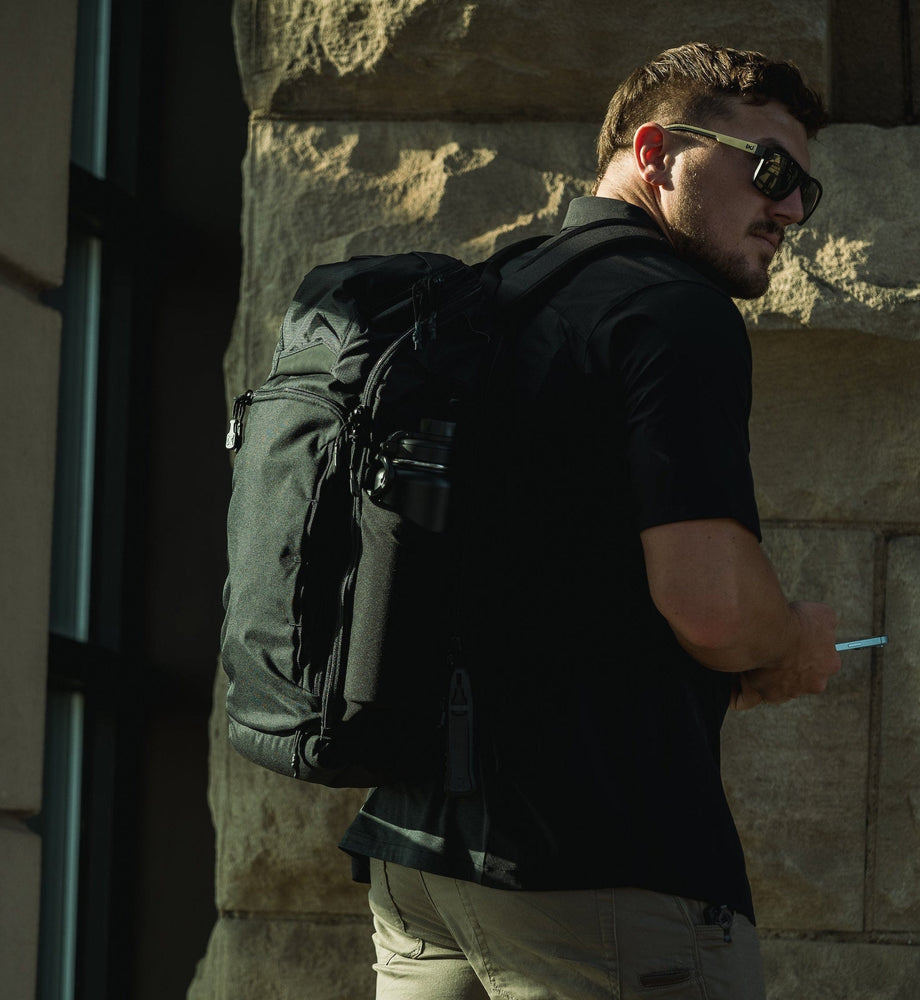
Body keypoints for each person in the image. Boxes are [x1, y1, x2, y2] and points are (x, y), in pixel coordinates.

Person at [339, 41, 841, 999]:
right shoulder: (672, 311)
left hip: (420, 857)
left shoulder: (492, 294)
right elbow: (716, 609)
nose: (788, 210)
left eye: (804, 193)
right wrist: (790, 641)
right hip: (596, 869)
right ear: (656, 153)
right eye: (769, 171)